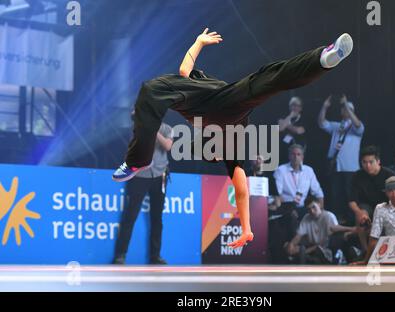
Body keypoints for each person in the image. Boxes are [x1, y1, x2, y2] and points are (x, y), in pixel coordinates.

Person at [112, 28, 354, 248]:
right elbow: (242, 191)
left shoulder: (203, 120)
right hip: (230, 101)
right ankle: (322, 60)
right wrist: (247, 228)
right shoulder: (230, 146)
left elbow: (185, 69)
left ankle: (324, 58)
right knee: (268, 78)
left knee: (152, 90)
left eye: (214, 151)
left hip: (216, 98)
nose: (219, 154)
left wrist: (198, 42)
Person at [113, 123, 173, 265]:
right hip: (139, 176)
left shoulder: (168, 129)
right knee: (130, 216)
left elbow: (168, 146)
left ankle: (155, 256)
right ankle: (120, 255)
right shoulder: (138, 126)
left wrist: (155, 131)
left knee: (157, 219)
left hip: (160, 176)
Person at [318, 94, 364, 224]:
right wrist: (324, 107)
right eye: (343, 108)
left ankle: (351, 220)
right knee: (335, 194)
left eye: (347, 109)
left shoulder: (357, 127)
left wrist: (346, 105)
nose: (345, 110)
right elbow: (321, 123)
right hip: (335, 166)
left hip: (350, 168)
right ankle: (337, 220)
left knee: (350, 195)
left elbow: (358, 125)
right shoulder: (337, 126)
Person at [285, 195, 359, 264]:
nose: (312, 211)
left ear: (319, 205)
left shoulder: (328, 216)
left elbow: (334, 229)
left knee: (324, 248)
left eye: (314, 207)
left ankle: (306, 257)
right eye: (309, 209)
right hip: (312, 245)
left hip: (325, 247)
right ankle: (305, 257)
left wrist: (352, 229)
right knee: (287, 246)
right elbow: (298, 236)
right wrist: (292, 244)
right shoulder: (306, 218)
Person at [348, 146, 395, 252]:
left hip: (386, 207)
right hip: (367, 208)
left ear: (378, 161)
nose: (367, 165)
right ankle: (365, 251)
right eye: (364, 162)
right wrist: (359, 212)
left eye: (371, 162)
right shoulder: (357, 175)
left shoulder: (389, 175)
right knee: (360, 215)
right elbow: (352, 201)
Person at [278, 96, 307, 163]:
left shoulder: (304, 119)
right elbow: (281, 128)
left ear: (301, 108)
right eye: (293, 105)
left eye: (297, 105)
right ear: (289, 106)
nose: (295, 107)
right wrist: (290, 116)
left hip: (297, 153)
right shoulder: (284, 116)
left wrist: (286, 125)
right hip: (284, 151)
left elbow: (298, 131)